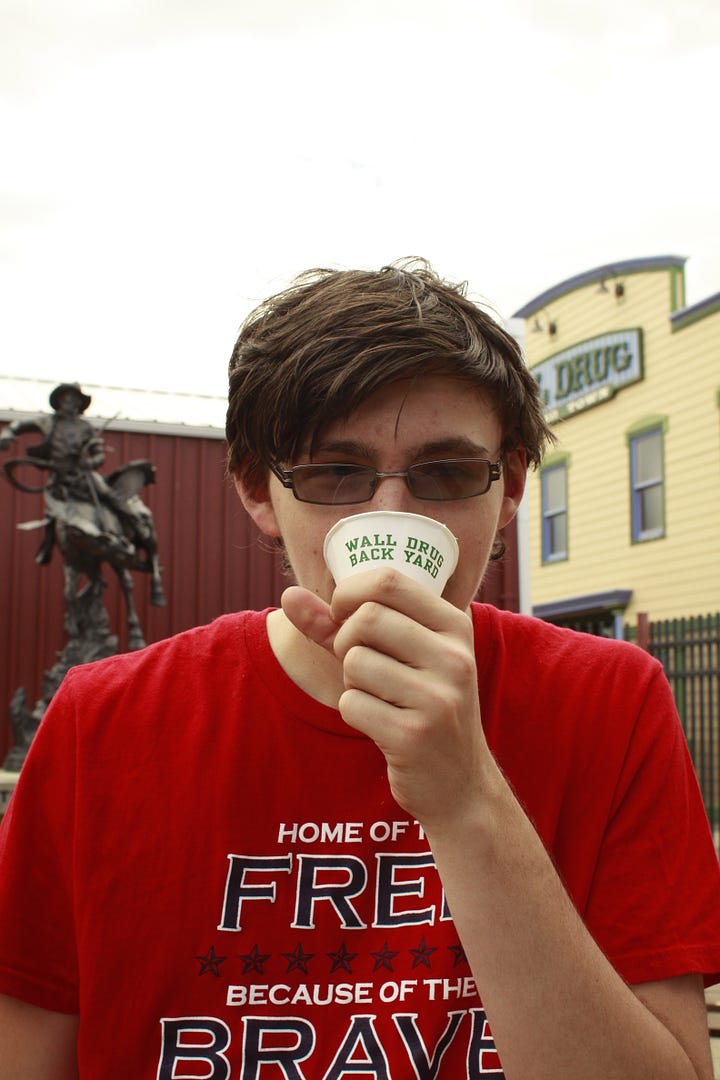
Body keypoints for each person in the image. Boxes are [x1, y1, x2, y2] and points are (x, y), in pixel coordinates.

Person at [0, 260, 718, 1079]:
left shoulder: (607, 701)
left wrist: (466, 798)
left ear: (510, 488)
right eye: (334, 472)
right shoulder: (105, 720)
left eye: (445, 472)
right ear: (259, 493)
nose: (391, 516)